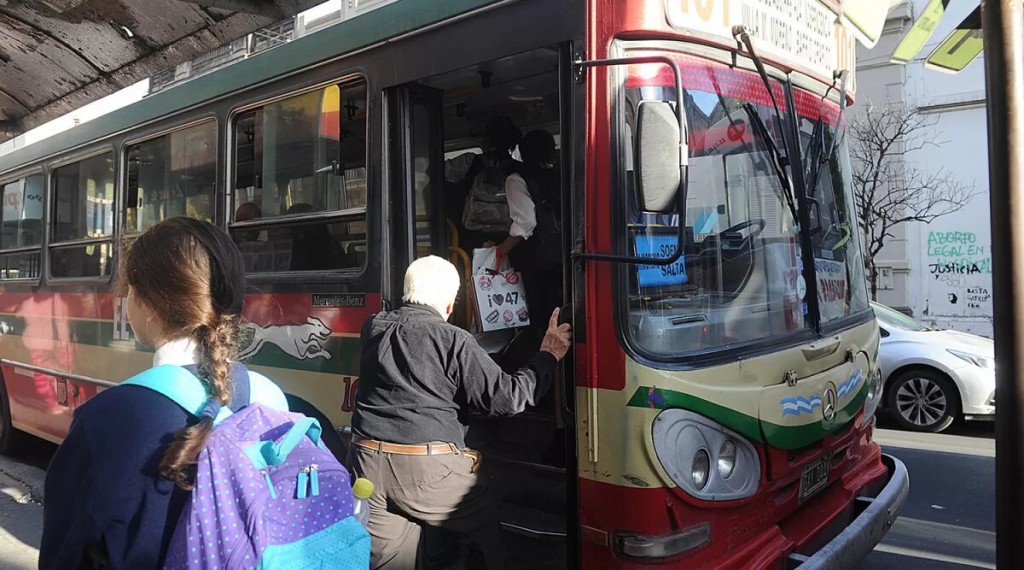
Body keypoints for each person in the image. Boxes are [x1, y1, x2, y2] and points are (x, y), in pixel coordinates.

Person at [39, 217, 288, 569]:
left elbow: (64, 554)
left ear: (148, 303)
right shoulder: (274, 401)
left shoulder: (108, 420)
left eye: (128, 289)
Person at [348, 255, 572, 570]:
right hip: (428, 474)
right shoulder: (455, 340)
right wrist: (548, 353)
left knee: (389, 561)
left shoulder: (373, 326)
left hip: (365, 465)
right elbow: (508, 398)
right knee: (484, 538)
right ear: (450, 304)